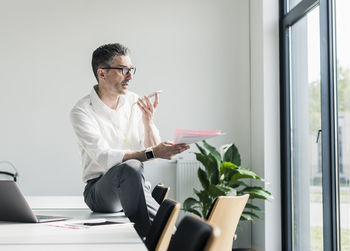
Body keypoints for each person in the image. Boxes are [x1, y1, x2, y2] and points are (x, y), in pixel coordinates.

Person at [70, 43, 189, 238]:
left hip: (134, 186)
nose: (130, 76)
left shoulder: (134, 102)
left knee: (132, 168)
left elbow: (154, 153)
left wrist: (148, 122)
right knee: (130, 166)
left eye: (131, 69)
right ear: (102, 74)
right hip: (99, 192)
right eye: (123, 70)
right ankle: (172, 238)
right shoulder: (82, 111)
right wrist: (152, 152)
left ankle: (163, 238)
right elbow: (103, 157)